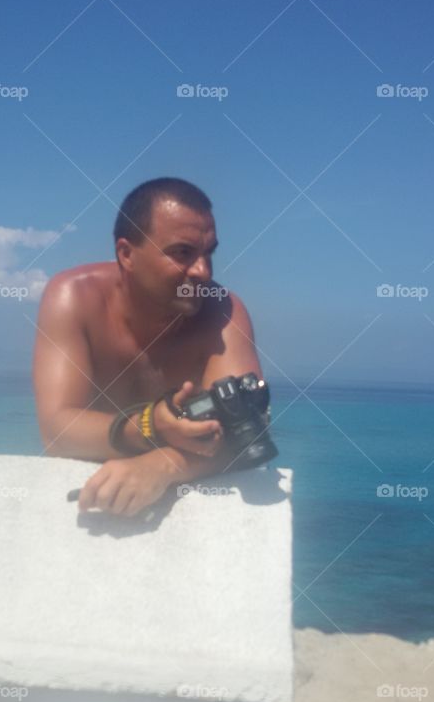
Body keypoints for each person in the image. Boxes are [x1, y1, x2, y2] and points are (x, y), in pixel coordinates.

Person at [31, 177, 264, 518]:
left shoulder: (223, 311)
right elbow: (58, 431)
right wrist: (152, 426)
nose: (203, 271)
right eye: (183, 253)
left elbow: (249, 432)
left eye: (208, 253)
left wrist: (164, 465)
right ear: (126, 254)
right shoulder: (74, 298)